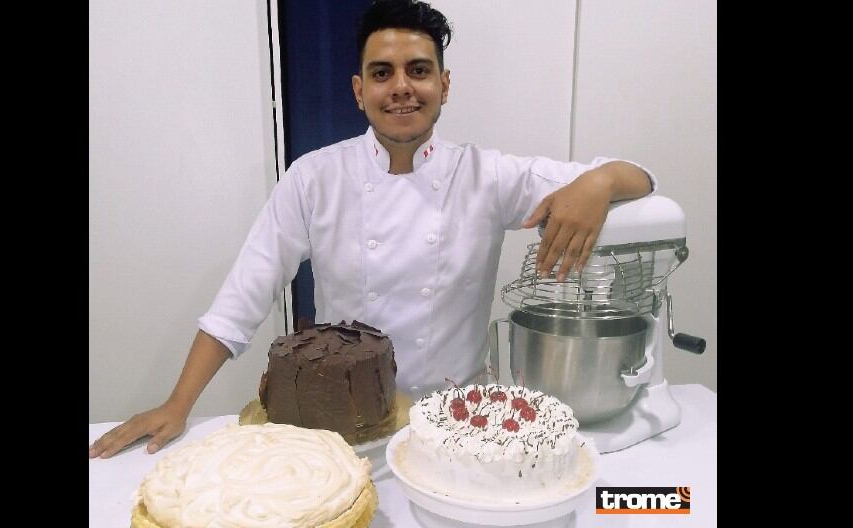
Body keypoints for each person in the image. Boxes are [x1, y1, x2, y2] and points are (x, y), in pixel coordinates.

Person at [89, 0, 654, 459]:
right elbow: (243, 297)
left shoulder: (489, 175)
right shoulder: (315, 177)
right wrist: (177, 404)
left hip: (455, 425)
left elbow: (642, 177)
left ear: (445, 84)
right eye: (382, 74)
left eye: (419, 70)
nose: (401, 87)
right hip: (344, 431)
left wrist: (599, 182)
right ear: (360, 90)